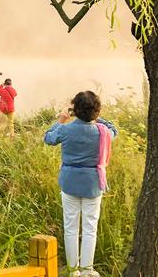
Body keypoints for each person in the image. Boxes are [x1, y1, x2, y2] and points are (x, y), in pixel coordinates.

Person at [44, 90, 117, 277]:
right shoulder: (102, 133)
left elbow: (49, 138)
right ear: (96, 111)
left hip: (69, 182)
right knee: (90, 228)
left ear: (75, 110)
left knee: (70, 227)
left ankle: (73, 270)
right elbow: (113, 130)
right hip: (93, 184)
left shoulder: (66, 129)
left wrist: (61, 119)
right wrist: (97, 118)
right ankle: (87, 270)